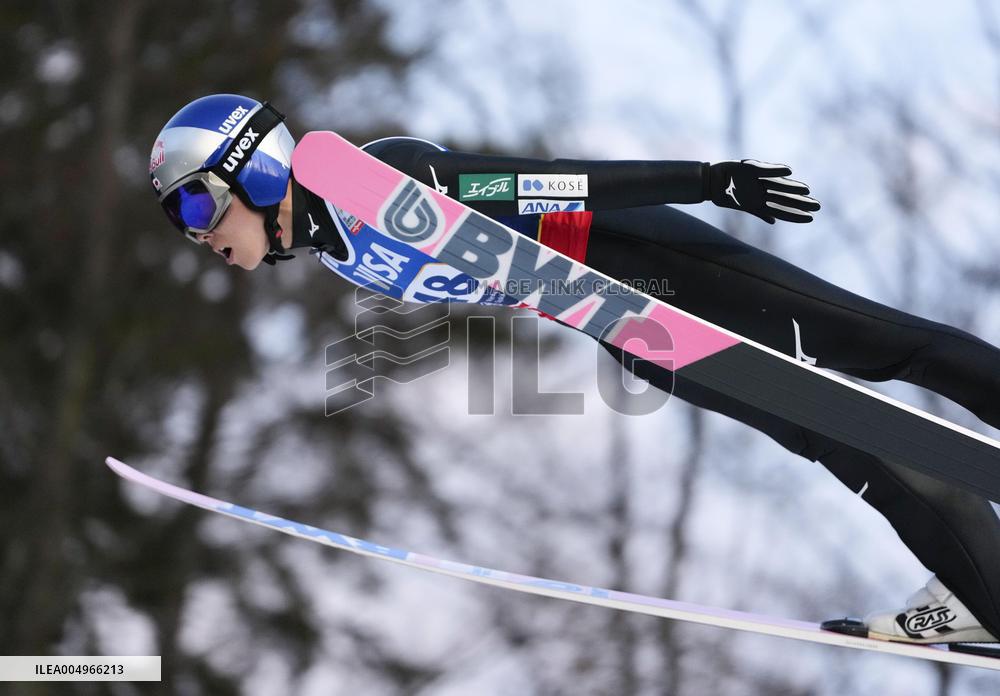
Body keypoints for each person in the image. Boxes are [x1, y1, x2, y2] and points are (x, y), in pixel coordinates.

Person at [149, 93, 1000, 645]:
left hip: (651, 264)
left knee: (879, 345)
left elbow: (545, 185)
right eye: (184, 224)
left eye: (197, 205)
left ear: (251, 163)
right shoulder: (339, 256)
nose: (201, 236)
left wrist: (706, 180)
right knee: (844, 440)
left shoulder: (377, 180)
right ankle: (981, 581)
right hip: (629, 327)